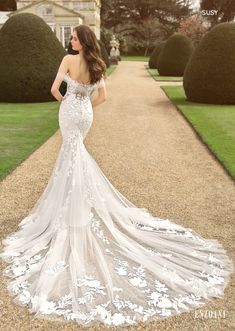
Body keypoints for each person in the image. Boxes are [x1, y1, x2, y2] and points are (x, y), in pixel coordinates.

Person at [0, 24, 234, 328]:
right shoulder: (96, 64)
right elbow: (103, 97)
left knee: (70, 158)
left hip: (70, 112)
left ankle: (71, 211)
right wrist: (84, 104)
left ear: (80, 41)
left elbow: (54, 90)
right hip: (85, 115)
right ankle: (76, 206)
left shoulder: (69, 60)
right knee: (76, 156)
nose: (70, 41)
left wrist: (68, 102)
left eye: (72, 38)